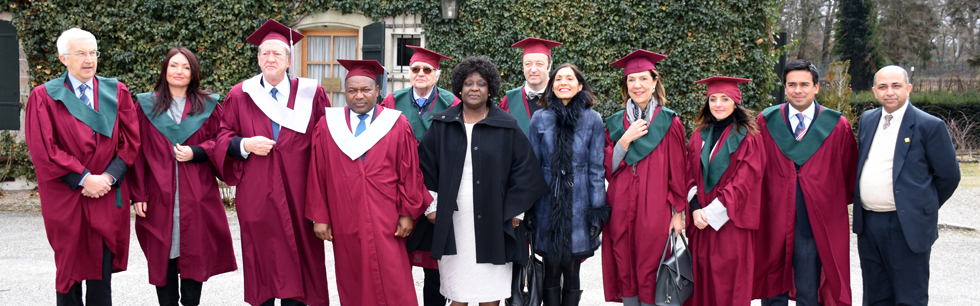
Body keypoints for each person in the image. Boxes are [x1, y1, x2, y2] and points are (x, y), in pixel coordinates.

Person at [212, 19, 330, 306]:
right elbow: (222, 137)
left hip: (300, 191)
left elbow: (325, 143)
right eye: (265, 53)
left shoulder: (311, 93)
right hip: (258, 191)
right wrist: (245, 145)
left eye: (277, 53)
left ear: (289, 60)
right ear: (258, 59)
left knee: (302, 260)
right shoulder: (241, 94)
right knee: (262, 259)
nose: (270, 59)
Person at [24, 27, 140, 306]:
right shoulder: (44, 96)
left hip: (106, 192)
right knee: (69, 268)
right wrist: (84, 178)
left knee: (102, 272)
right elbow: (44, 149)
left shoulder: (116, 91)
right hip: (66, 194)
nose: (89, 60)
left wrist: (108, 178)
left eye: (93, 53)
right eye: (80, 53)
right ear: (63, 58)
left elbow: (131, 141)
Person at [418, 56, 547, 306]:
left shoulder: (506, 126)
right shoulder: (443, 125)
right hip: (454, 221)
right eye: (468, 83)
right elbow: (423, 168)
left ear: (490, 90)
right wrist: (431, 205)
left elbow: (526, 170)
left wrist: (516, 210)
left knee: (490, 296)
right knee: (457, 294)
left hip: (495, 220)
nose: (474, 88)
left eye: (481, 84)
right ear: (459, 88)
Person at [305, 59, 431, 306]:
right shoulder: (328, 125)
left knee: (394, 277)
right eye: (352, 90)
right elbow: (317, 173)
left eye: (365, 89)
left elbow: (409, 172)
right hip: (344, 215)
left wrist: (407, 213)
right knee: (352, 275)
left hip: (387, 216)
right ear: (345, 92)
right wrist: (319, 216)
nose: (359, 96)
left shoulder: (396, 123)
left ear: (378, 90)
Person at [129, 47, 237, 306]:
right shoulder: (145, 106)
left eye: (186, 67)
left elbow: (222, 140)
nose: (179, 71)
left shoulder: (208, 106)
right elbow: (136, 151)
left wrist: (197, 151)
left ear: (193, 73)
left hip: (197, 195)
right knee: (162, 254)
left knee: (195, 254)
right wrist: (138, 194)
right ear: (165, 70)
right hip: (157, 195)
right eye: (174, 66)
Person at [853, 65, 960, 306]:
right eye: (883, 87)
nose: (889, 92)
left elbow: (949, 176)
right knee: (875, 296)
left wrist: (919, 206)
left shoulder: (929, 126)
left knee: (909, 297)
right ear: (874, 91)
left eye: (896, 86)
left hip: (906, 226)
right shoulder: (868, 120)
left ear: (908, 88)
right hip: (869, 224)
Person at [754, 59, 857, 306]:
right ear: (785, 87)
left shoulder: (837, 126)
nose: (797, 90)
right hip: (772, 217)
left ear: (816, 87)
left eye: (804, 84)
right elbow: (755, 168)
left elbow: (848, 174)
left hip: (811, 222)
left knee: (809, 289)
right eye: (791, 85)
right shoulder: (766, 121)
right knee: (771, 287)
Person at [601, 50, 687, 306]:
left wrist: (678, 212)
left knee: (651, 265)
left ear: (654, 81)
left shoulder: (669, 122)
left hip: (655, 206)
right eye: (631, 80)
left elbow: (678, 171)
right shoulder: (616, 123)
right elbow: (608, 168)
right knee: (624, 262)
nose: (637, 85)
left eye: (643, 79)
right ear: (626, 85)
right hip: (620, 204)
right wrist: (625, 140)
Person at [380, 45, 459, 306]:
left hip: (435, 192)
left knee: (434, 268)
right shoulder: (392, 102)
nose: (421, 73)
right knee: (396, 263)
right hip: (399, 193)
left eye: (427, 69)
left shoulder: (452, 103)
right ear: (409, 73)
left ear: (437, 74)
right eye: (415, 69)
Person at [528, 63, 609, 306]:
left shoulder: (593, 119)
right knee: (550, 269)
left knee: (573, 270)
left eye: (570, 78)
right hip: (547, 203)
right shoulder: (540, 118)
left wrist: (596, 211)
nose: (564, 82)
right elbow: (532, 167)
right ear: (552, 86)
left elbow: (596, 168)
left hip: (579, 204)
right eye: (558, 78)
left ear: (580, 85)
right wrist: (529, 209)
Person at [685, 76, 765, 306]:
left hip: (731, 224)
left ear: (736, 102)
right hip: (700, 225)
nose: (718, 104)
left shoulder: (749, 137)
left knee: (728, 287)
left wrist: (709, 214)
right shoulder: (699, 135)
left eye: (725, 98)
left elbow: (744, 183)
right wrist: (695, 208)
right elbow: (688, 174)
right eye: (713, 99)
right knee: (701, 285)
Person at [500, 37, 563, 135]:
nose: (533, 70)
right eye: (528, 64)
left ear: (549, 65)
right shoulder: (509, 101)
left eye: (539, 64)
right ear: (523, 66)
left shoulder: (562, 97)